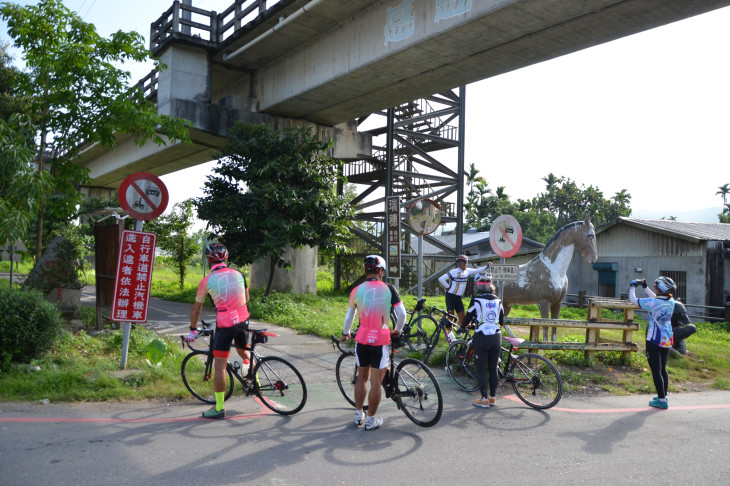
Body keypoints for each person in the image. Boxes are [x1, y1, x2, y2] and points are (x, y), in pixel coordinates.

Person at [340, 255, 406, 430]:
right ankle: (370, 421)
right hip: (381, 340)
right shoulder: (389, 288)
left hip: (361, 339)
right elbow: (402, 315)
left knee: (361, 378)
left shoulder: (356, 290)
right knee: (376, 383)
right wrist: (398, 331)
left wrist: (345, 333)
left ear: (365, 271)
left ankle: (358, 415)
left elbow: (349, 316)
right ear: (381, 271)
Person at [188, 242, 251, 420]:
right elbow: (246, 298)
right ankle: (256, 383)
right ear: (226, 257)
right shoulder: (239, 274)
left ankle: (220, 409)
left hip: (225, 325)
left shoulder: (206, 281)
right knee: (244, 352)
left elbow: (196, 310)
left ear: (208, 260)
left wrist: (193, 331)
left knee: (220, 367)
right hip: (243, 320)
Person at [629, 276, 676, 410]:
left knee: (656, 371)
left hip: (654, 340)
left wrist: (632, 286)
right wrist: (645, 287)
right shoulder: (671, 301)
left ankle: (661, 401)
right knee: (663, 369)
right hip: (667, 339)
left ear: (659, 289)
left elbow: (633, 300)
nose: (654, 289)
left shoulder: (653, 303)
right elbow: (656, 297)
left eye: (656, 287)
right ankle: (663, 396)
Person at [461, 274, 504, 408]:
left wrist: (462, 327)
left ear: (478, 287)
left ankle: (484, 399)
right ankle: (492, 398)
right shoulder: (499, 300)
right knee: (493, 368)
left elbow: (468, 316)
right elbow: (501, 320)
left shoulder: (477, 300)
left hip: (482, 337)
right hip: (497, 337)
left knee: (481, 369)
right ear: (491, 287)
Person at [437, 255, 490, 332]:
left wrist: (487, 266)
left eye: (465, 262)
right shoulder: (454, 272)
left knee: (462, 317)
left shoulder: (467, 271)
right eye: (461, 263)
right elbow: (441, 279)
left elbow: (477, 270)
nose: (464, 264)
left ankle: (459, 333)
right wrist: (448, 287)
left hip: (458, 297)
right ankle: (450, 333)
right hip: (450, 296)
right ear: (459, 263)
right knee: (451, 316)